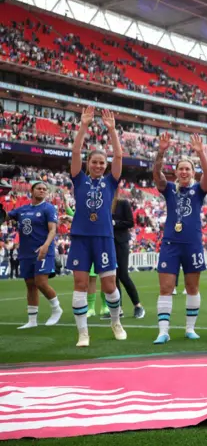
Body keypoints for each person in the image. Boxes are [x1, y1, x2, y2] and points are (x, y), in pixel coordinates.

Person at [67, 106, 125, 347]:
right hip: (81, 238)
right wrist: (83, 127)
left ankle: (116, 322)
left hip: (103, 237)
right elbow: (76, 151)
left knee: (109, 285)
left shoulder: (111, 183)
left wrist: (112, 131)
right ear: (88, 163)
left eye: (102, 162)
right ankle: (83, 333)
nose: (99, 165)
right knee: (80, 285)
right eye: (95, 162)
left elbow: (119, 158)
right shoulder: (78, 178)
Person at [153, 132, 207, 344]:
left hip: (193, 244)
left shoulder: (199, 190)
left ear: (192, 172)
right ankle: (163, 331)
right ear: (176, 172)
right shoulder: (169, 189)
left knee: (192, 287)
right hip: (171, 243)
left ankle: (189, 328)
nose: (184, 171)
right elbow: (157, 175)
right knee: (166, 287)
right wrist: (161, 152)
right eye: (181, 169)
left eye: (188, 168)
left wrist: (201, 153)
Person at [6, 181, 63, 329]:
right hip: (25, 252)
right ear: (32, 191)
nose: (42, 191)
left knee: (41, 283)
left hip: (43, 251)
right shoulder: (22, 210)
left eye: (45, 189)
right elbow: (5, 217)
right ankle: (32, 321)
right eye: (39, 188)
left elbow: (52, 230)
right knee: (30, 285)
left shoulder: (48, 208)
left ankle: (57, 309)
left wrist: (45, 246)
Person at [112, 190, 145, 319]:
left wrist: (115, 223)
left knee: (123, 275)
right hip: (107, 243)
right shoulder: (103, 204)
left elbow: (130, 222)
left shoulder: (123, 203)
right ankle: (118, 309)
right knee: (112, 277)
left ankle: (138, 306)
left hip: (121, 242)